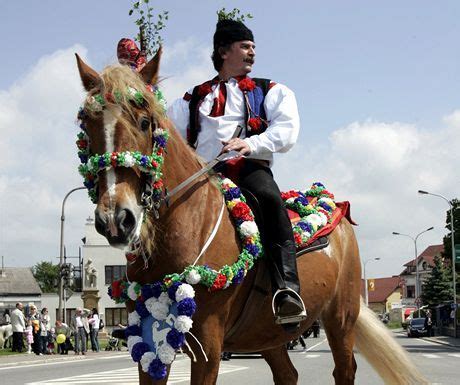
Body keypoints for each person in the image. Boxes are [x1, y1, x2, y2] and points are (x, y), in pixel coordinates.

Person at [167, 17, 306, 329]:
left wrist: (252, 143)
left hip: (248, 170)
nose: (252, 52)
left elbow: (288, 131)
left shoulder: (269, 90)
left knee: (270, 200)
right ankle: (151, 298)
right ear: (223, 51)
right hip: (203, 176)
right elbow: (167, 131)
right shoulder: (192, 97)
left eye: (254, 46)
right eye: (245, 46)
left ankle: (287, 290)